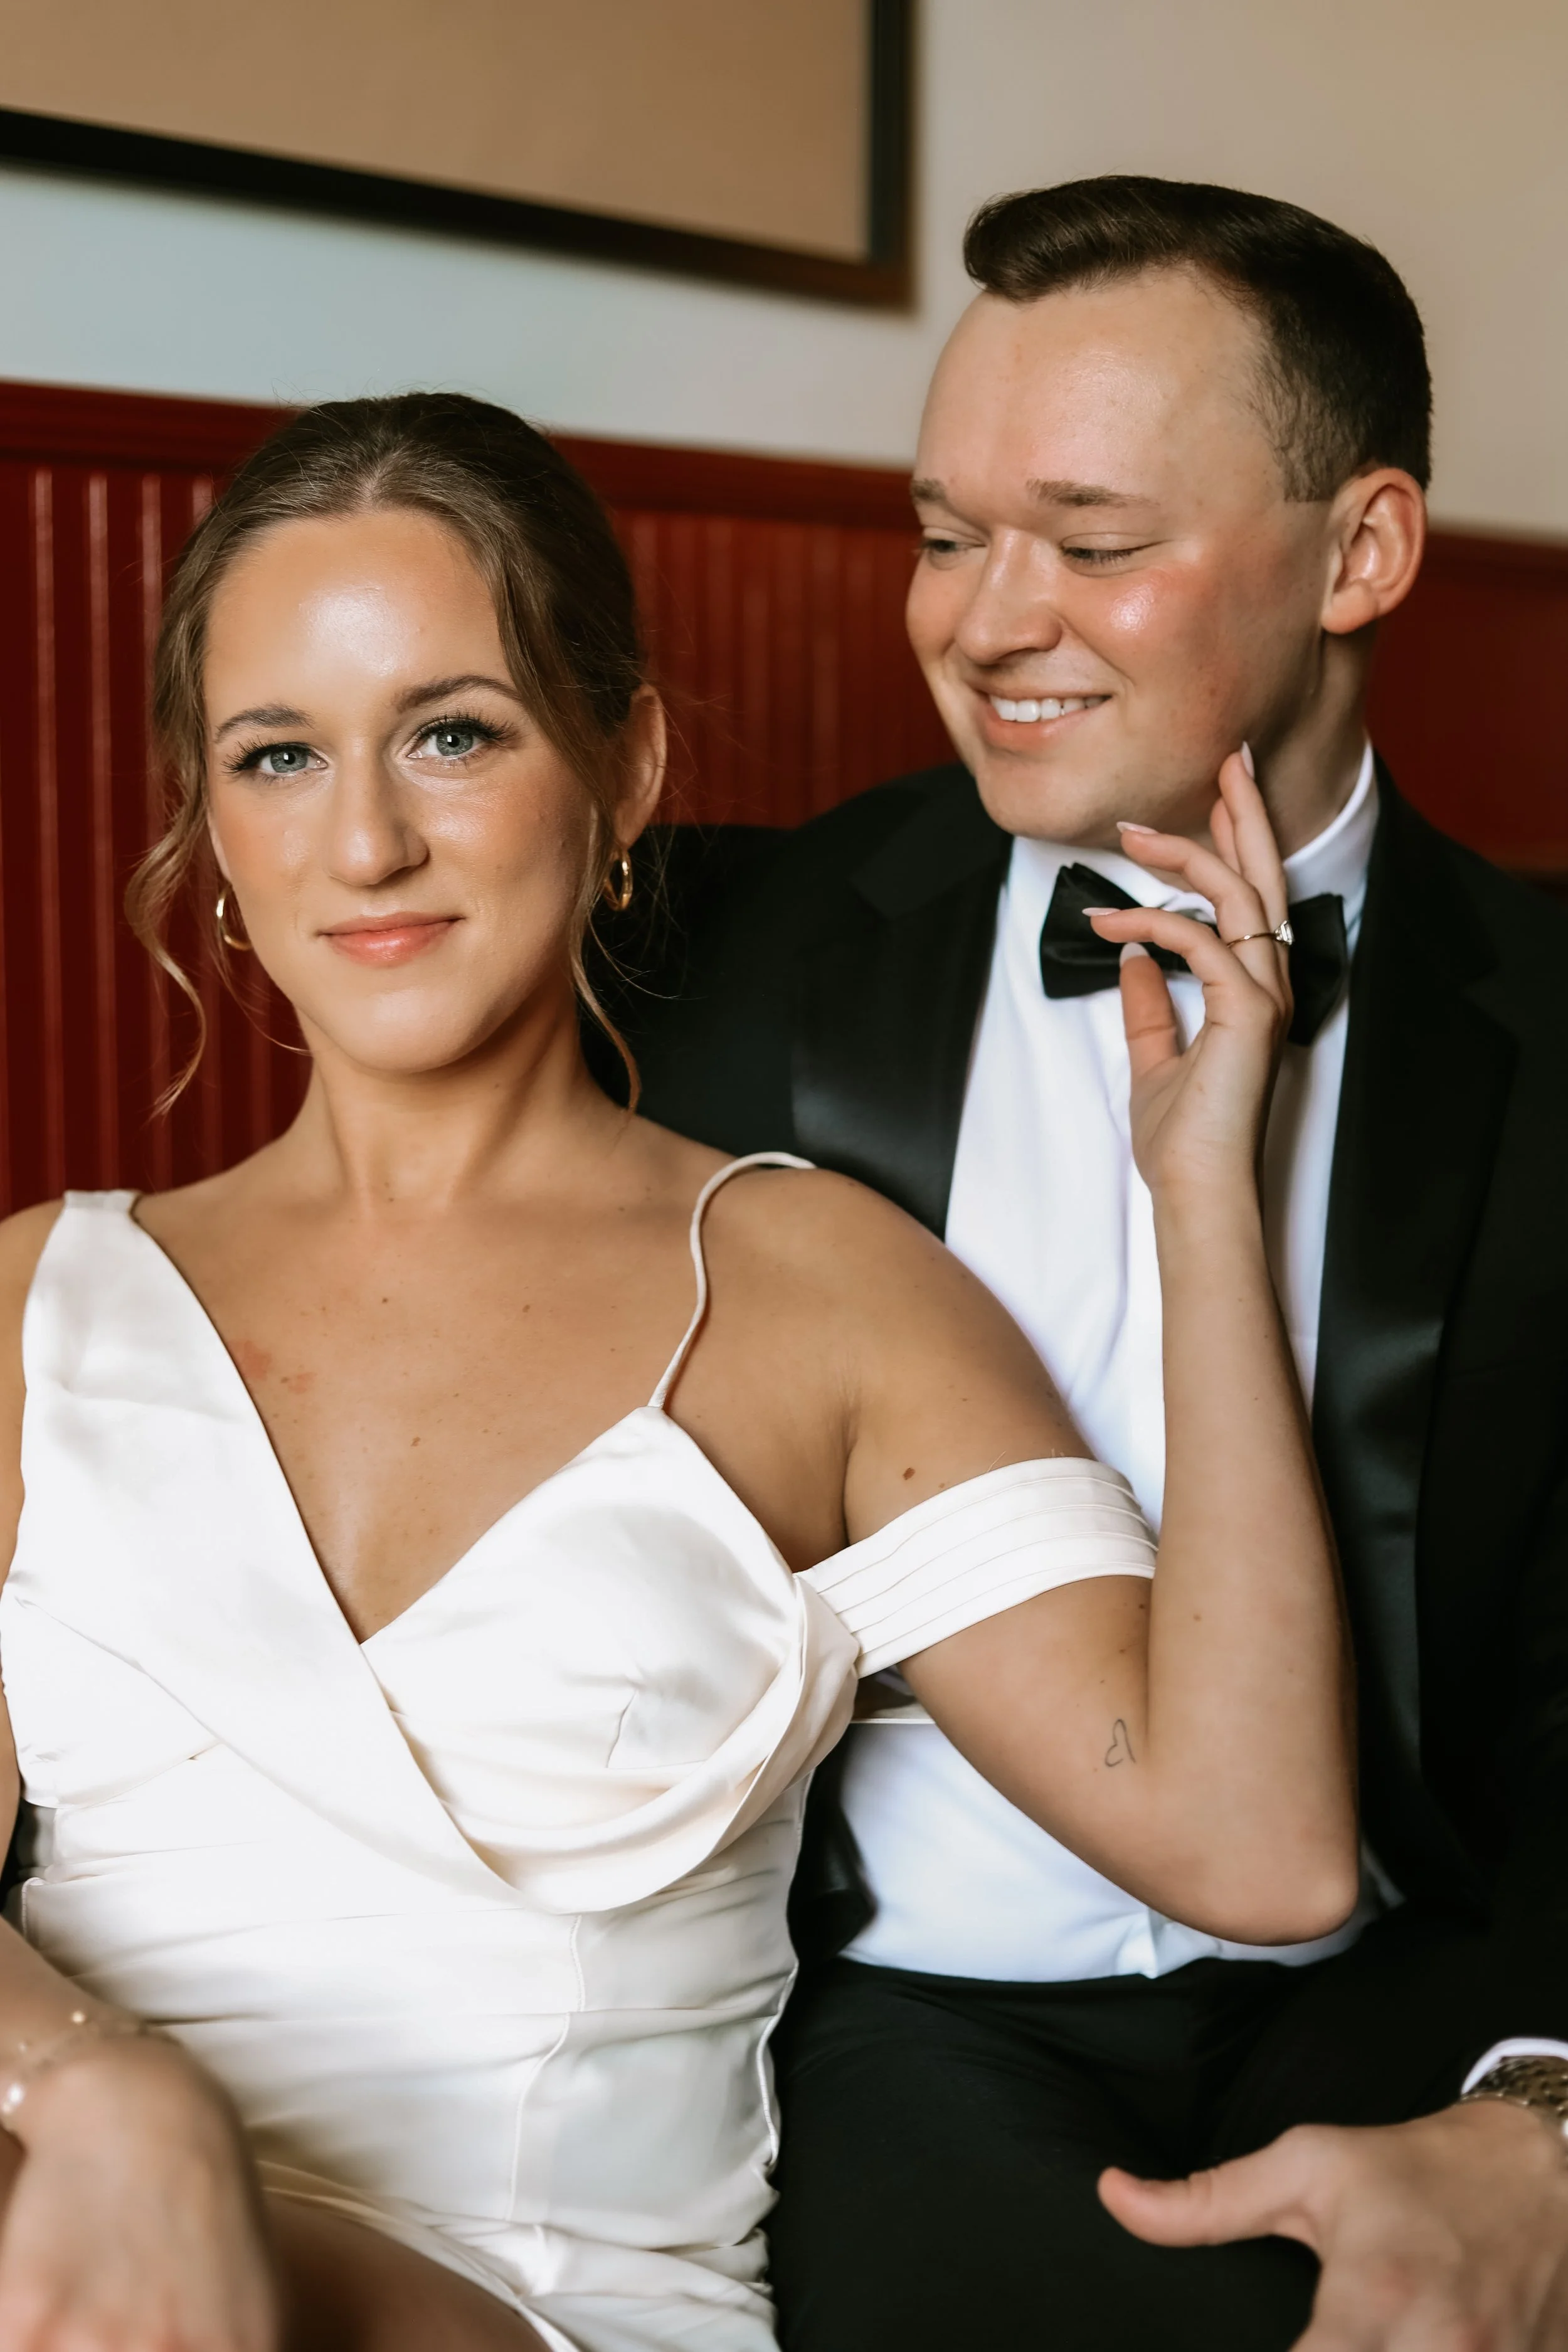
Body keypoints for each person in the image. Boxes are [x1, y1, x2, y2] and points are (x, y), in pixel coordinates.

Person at [0, 392, 1353, 2352]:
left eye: (453, 731)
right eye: (278, 755)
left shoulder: (818, 1297)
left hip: (537, 2302)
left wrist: (1200, 1195)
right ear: (212, 820)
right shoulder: (40, 1305)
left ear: (622, 767)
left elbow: (1260, 1842)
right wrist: (108, 2097)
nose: (365, 837)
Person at [613, 178, 1568, 2351]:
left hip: (1431, 2000)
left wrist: (1542, 2114)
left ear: (1364, 554)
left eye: (1094, 541)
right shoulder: (696, 960)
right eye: (946, 534)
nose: (980, 618)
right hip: (889, 2024)